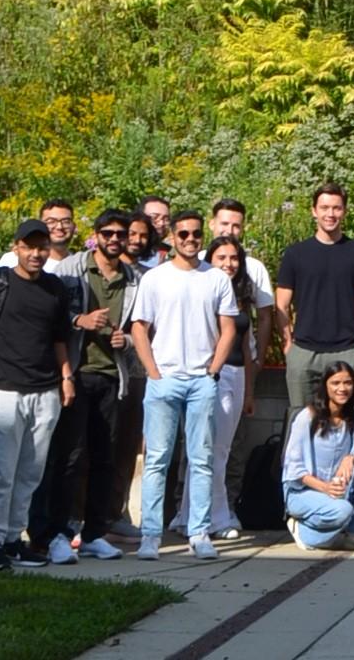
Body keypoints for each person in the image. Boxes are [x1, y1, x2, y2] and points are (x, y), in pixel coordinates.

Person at [0, 220, 75, 571]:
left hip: (45, 392)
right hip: (2, 390)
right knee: (1, 473)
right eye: (29, 247)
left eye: (42, 247)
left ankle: (13, 539)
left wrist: (66, 376)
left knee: (30, 473)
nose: (36, 254)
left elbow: (60, 338)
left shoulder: (55, 288)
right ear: (16, 248)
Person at [29, 205, 138, 567]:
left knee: (105, 458)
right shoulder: (70, 269)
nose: (114, 240)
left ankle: (94, 533)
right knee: (70, 458)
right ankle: (59, 532)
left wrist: (129, 342)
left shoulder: (134, 278)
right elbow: (51, 315)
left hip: (112, 376)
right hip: (76, 374)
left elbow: (142, 327)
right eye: (108, 234)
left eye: (120, 235)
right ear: (96, 235)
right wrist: (81, 319)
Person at [125, 209, 235, 561]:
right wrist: (153, 372)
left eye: (196, 234)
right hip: (165, 380)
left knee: (201, 459)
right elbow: (139, 327)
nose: (190, 240)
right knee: (157, 459)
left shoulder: (216, 278)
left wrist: (213, 370)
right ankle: (151, 534)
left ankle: (199, 532)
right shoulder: (156, 278)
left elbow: (228, 327)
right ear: (172, 237)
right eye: (183, 234)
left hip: (201, 380)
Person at [170, 237, 257, 544]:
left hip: (235, 375)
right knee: (204, 451)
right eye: (221, 257)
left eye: (234, 258)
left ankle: (194, 515)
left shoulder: (241, 296)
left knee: (219, 449)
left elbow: (246, 347)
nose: (228, 263)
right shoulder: (201, 288)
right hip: (207, 374)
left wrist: (249, 391)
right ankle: (210, 517)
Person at [275, 182, 354, 427]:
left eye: (336, 208)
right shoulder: (295, 254)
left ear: (344, 211)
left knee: (347, 421)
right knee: (299, 422)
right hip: (304, 352)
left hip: (348, 350)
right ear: (314, 211)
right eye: (324, 208)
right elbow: (282, 303)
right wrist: (288, 344)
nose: (330, 214)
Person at [281, 360, 354, 551]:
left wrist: (351, 458)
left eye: (347, 383)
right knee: (343, 511)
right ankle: (304, 530)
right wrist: (325, 488)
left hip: (339, 489)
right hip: (304, 492)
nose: (342, 388)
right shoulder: (307, 417)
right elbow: (294, 469)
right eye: (336, 383)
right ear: (325, 386)